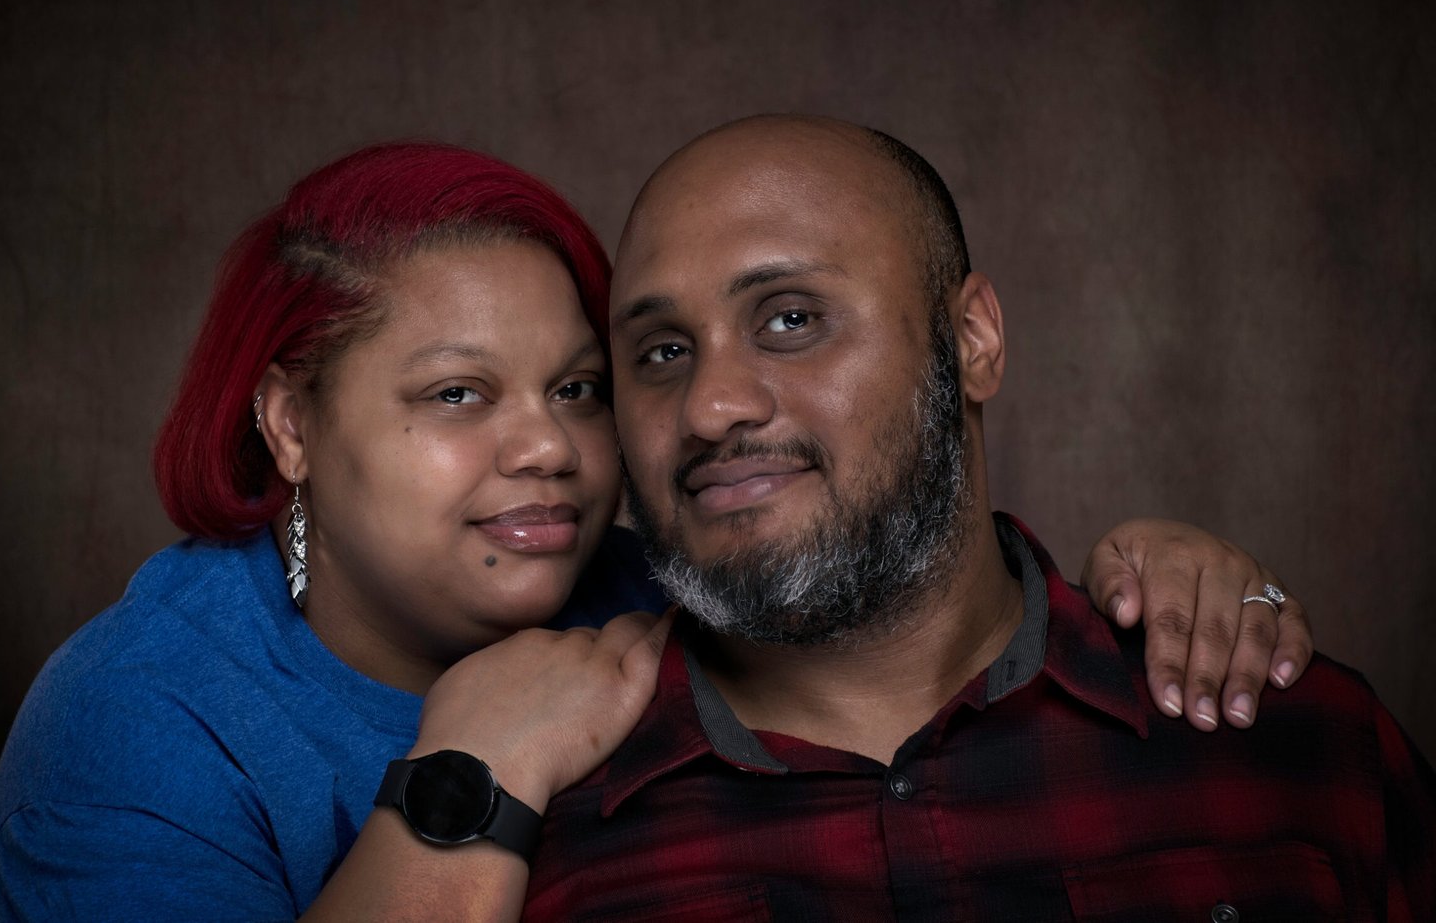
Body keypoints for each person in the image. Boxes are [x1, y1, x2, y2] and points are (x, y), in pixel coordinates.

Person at [0, 140, 1314, 921]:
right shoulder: (139, 723)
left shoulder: (648, 587)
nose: (550, 447)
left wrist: (1149, 573)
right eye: (457, 394)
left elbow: (903, 574)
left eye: (579, 388)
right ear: (290, 425)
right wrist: (471, 771)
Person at [522, 115, 1435, 921]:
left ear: (973, 339)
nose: (710, 406)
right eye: (662, 351)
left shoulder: (1302, 747)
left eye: (791, 319)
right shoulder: (531, 832)